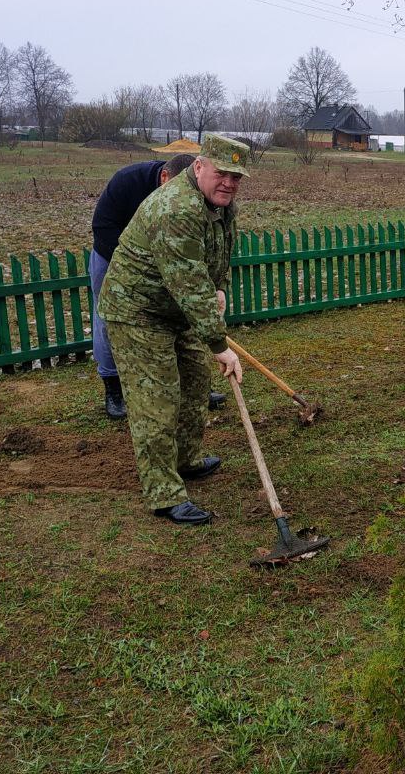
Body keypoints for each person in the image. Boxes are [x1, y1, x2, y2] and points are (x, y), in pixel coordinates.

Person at [98, 134, 249, 525]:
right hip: (137, 310)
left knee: (196, 382)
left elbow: (219, 255)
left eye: (236, 176)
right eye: (222, 173)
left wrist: (220, 289)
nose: (229, 183)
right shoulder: (176, 209)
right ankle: (163, 492)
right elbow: (187, 282)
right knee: (157, 398)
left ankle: (185, 458)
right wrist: (219, 345)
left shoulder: (222, 205)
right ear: (199, 167)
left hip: (173, 309)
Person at [90, 152, 226, 419]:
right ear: (165, 177)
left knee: (183, 320)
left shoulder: (192, 201)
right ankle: (113, 389)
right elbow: (102, 226)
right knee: (107, 320)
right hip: (113, 257)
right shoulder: (126, 181)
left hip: (167, 260)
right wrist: (145, 263)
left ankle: (193, 387)